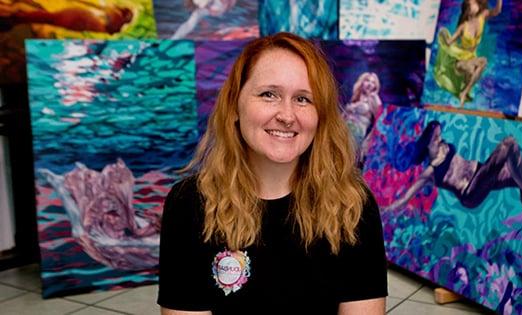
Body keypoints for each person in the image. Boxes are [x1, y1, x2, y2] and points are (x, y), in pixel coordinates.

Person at [157, 32, 387, 314]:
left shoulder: (353, 204)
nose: (287, 115)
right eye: (269, 94)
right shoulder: (189, 203)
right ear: (235, 106)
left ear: (321, 116)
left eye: (303, 99)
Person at [383, 120, 522, 255]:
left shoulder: (445, 147)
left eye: (440, 135)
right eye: (435, 138)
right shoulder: (430, 172)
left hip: (480, 171)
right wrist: (386, 210)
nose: (440, 139)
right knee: (508, 144)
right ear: (427, 143)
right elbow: (406, 197)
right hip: (470, 191)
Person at [434, 0, 502, 107]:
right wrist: (443, 33)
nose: (476, 4)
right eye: (472, 3)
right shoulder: (463, 27)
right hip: (460, 61)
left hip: (472, 58)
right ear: (467, 10)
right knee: (472, 68)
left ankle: (465, 92)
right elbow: (449, 42)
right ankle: (464, 92)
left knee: (482, 62)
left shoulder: (482, 17)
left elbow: (497, 11)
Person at [0, 0, 133, 34]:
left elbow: (110, 12)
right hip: (76, 19)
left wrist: (115, 10)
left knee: (43, 17)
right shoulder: (112, 21)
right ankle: (12, 18)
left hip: (76, 19)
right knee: (42, 17)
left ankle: (10, 17)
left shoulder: (116, 20)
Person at [342, 72, 382, 165]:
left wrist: (368, 140)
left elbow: (380, 121)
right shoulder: (355, 97)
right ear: (362, 82)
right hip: (343, 133)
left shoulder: (373, 98)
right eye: (367, 80)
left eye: (373, 82)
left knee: (348, 163)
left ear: (375, 87)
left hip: (356, 135)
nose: (369, 84)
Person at [171, 0, 237, 39]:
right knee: (190, 23)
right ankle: (174, 38)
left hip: (213, 8)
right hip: (207, 8)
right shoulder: (202, 6)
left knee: (193, 21)